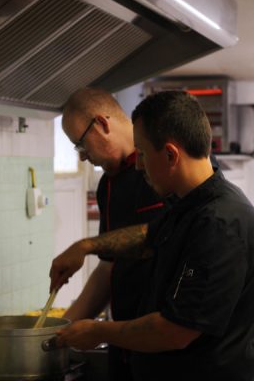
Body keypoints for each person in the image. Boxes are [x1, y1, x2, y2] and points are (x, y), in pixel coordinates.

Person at [50, 90, 254, 381]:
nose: (138, 165)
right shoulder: (185, 206)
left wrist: (97, 331)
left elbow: (176, 331)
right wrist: (86, 246)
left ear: (171, 155)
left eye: (143, 154)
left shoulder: (219, 224)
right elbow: (147, 237)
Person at [60, 87, 167, 381]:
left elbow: (158, 239)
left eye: (81, 145)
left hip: (169, 346)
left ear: (103, 125)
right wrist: (60, 328)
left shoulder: (165, 171)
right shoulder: (108, 185)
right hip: (125, 345)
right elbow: (109, 267)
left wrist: (85, 245)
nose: (83, 158)